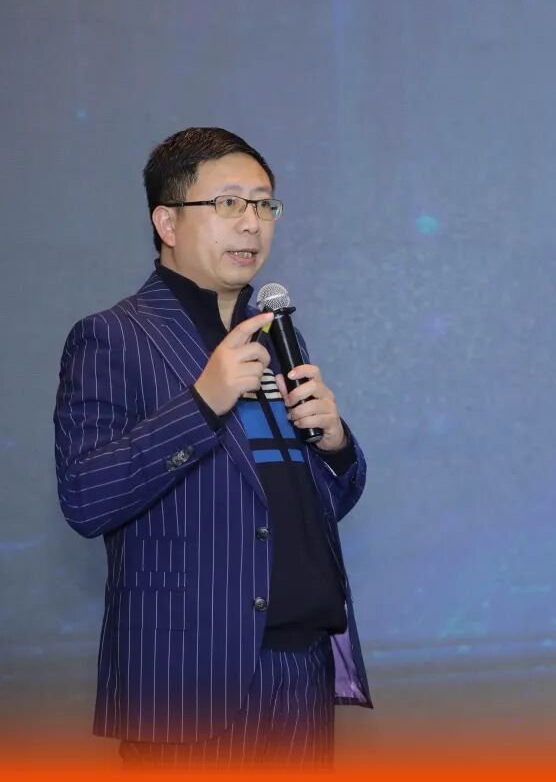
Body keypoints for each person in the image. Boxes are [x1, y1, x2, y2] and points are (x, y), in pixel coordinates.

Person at [53, 127, 371, 768]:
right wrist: (202, 403)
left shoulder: (275, 335)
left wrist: (336, 446)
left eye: (264, 205)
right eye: (228, 203)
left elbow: (295, 503)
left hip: (301, 671)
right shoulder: (114, 337)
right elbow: (86, 498)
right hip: (190, 681)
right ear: (167, 222)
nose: (251, 223)